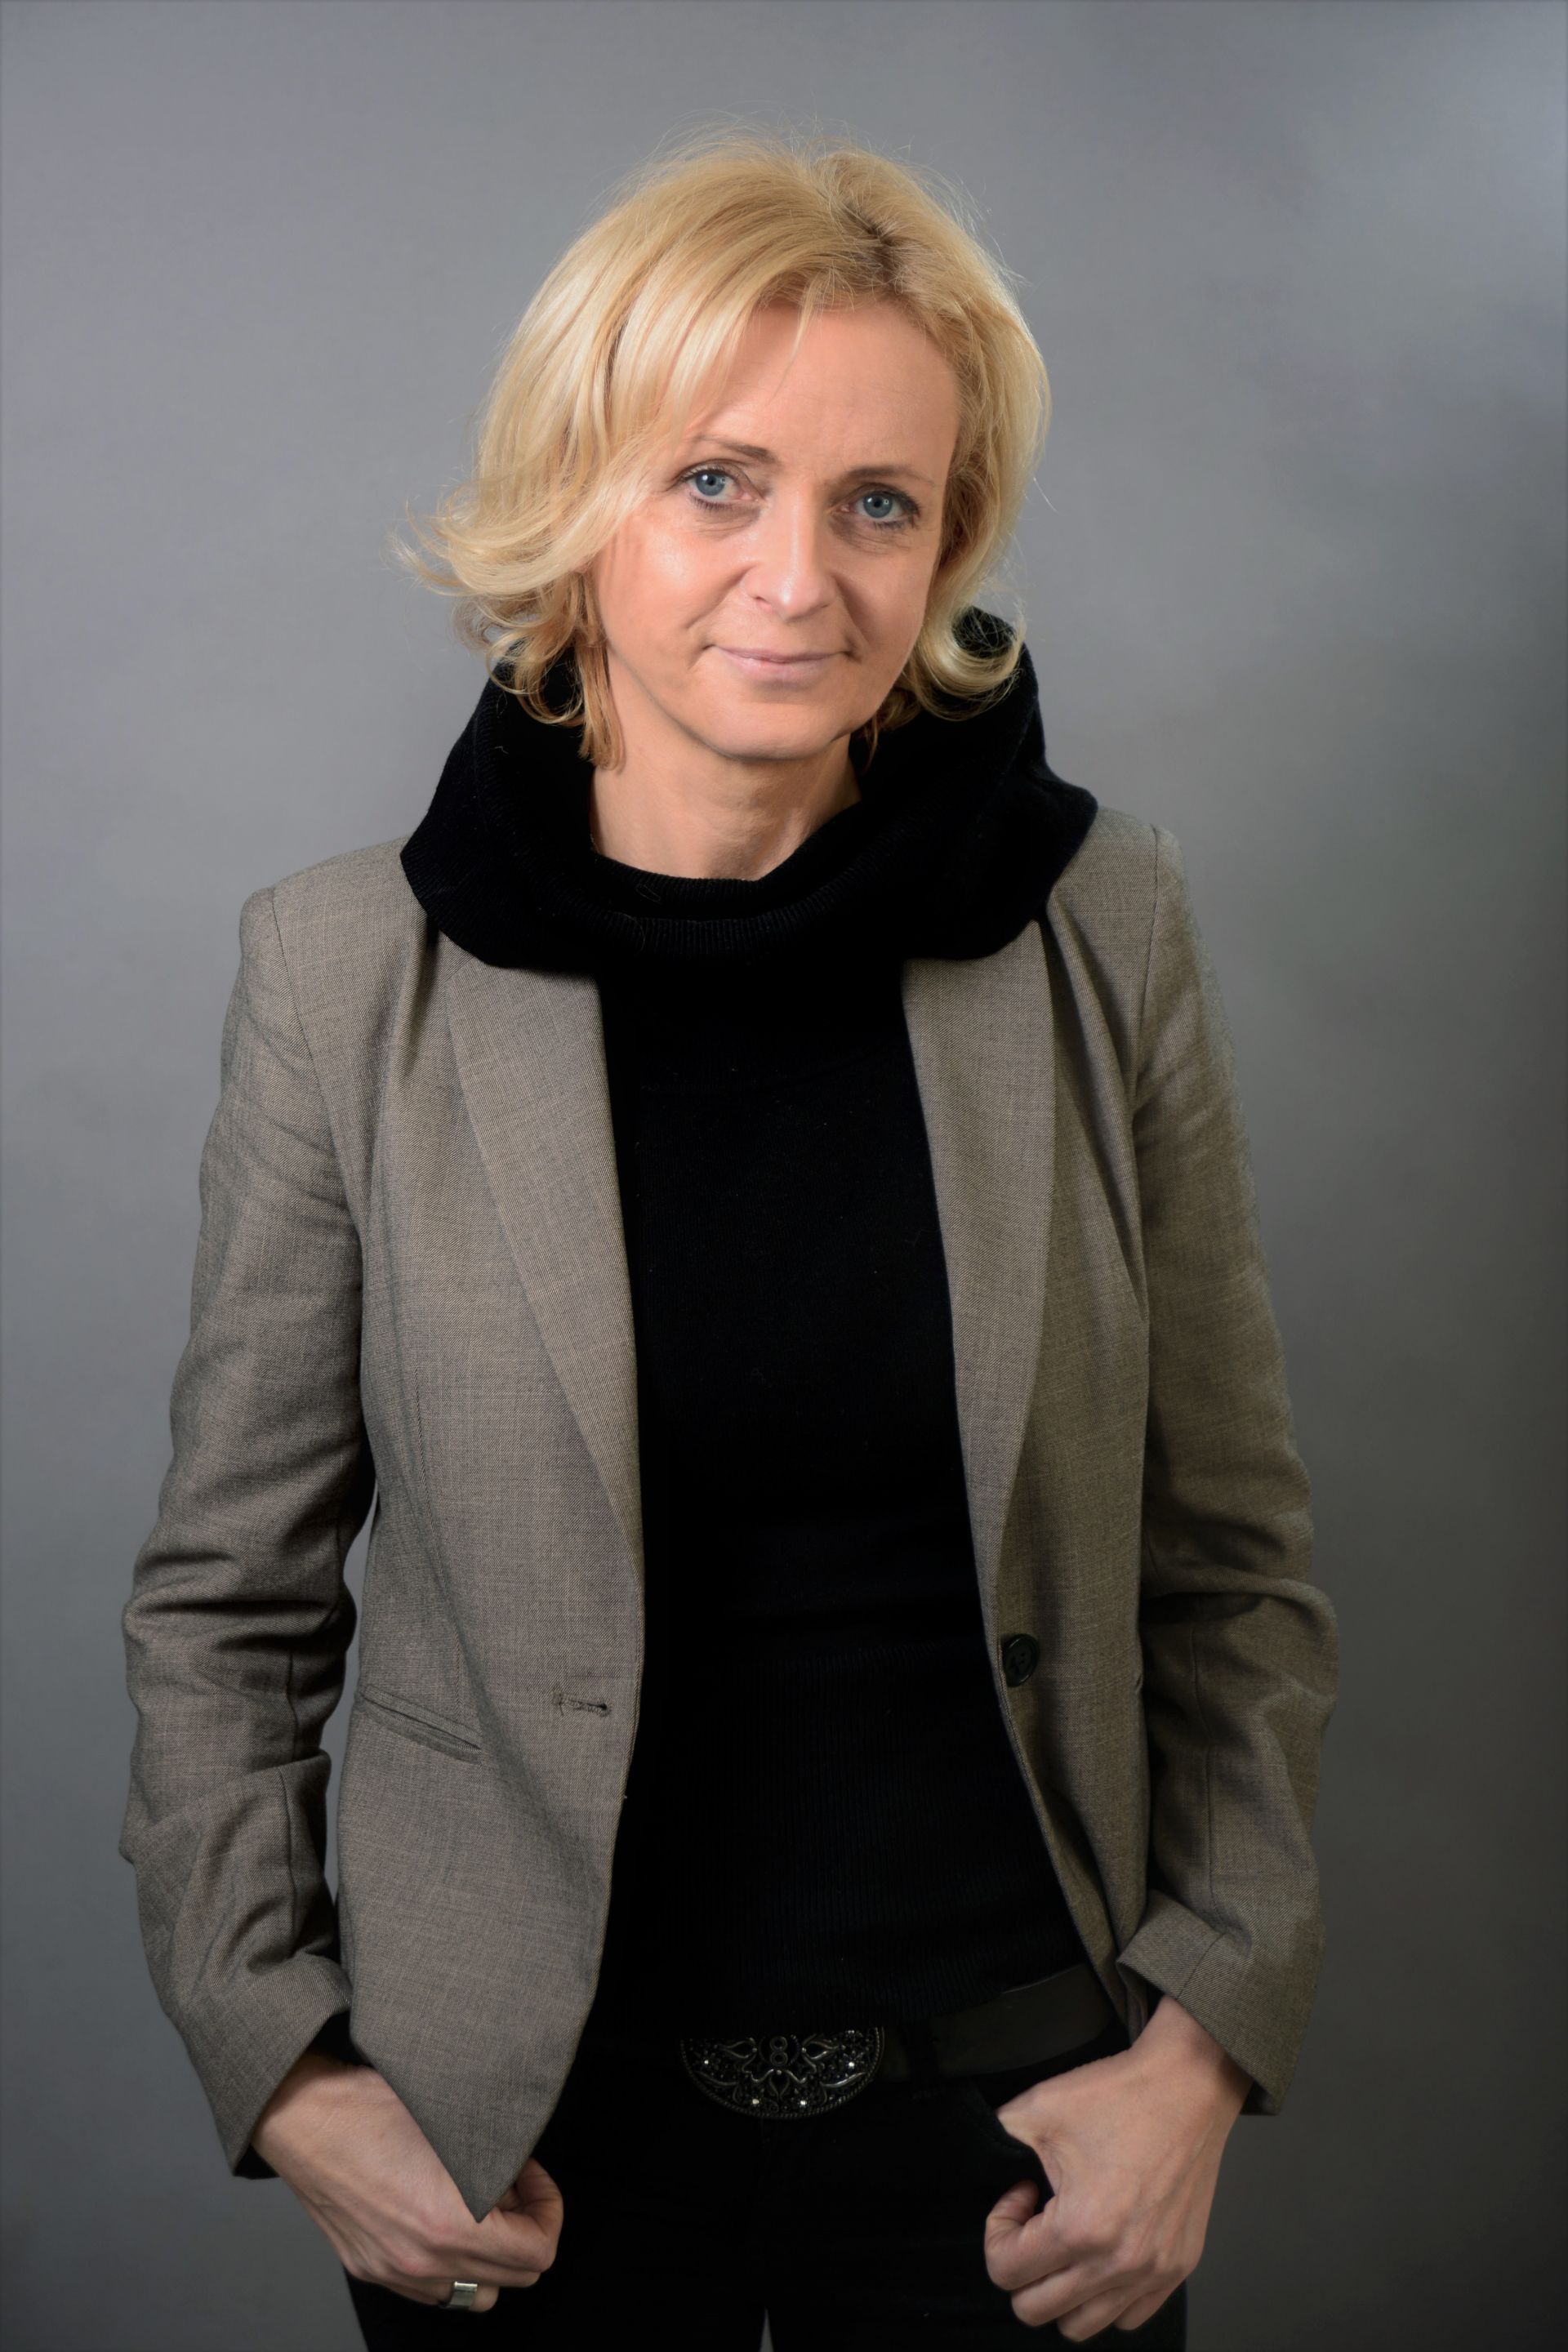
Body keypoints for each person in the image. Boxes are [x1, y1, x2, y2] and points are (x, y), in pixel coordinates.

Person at [119, 127, 1339, 2348]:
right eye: (715, 482)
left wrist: (1202, 2045)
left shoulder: (1099, 926)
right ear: (574, 499)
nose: (801, 577)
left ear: (948, 543)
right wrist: (281, 2064)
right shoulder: (347, 975)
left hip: (1027, 2141)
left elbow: (1233, 1559)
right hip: (527, 2153)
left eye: (880, 504)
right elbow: (230, 1606)